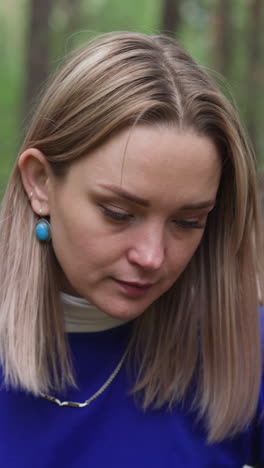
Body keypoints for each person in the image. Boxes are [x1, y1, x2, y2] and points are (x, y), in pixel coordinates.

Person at [0, 31, 263, 468]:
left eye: (187, 221)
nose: (153, 257)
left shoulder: (243, 348)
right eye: (118, 213)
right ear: (40, 183)